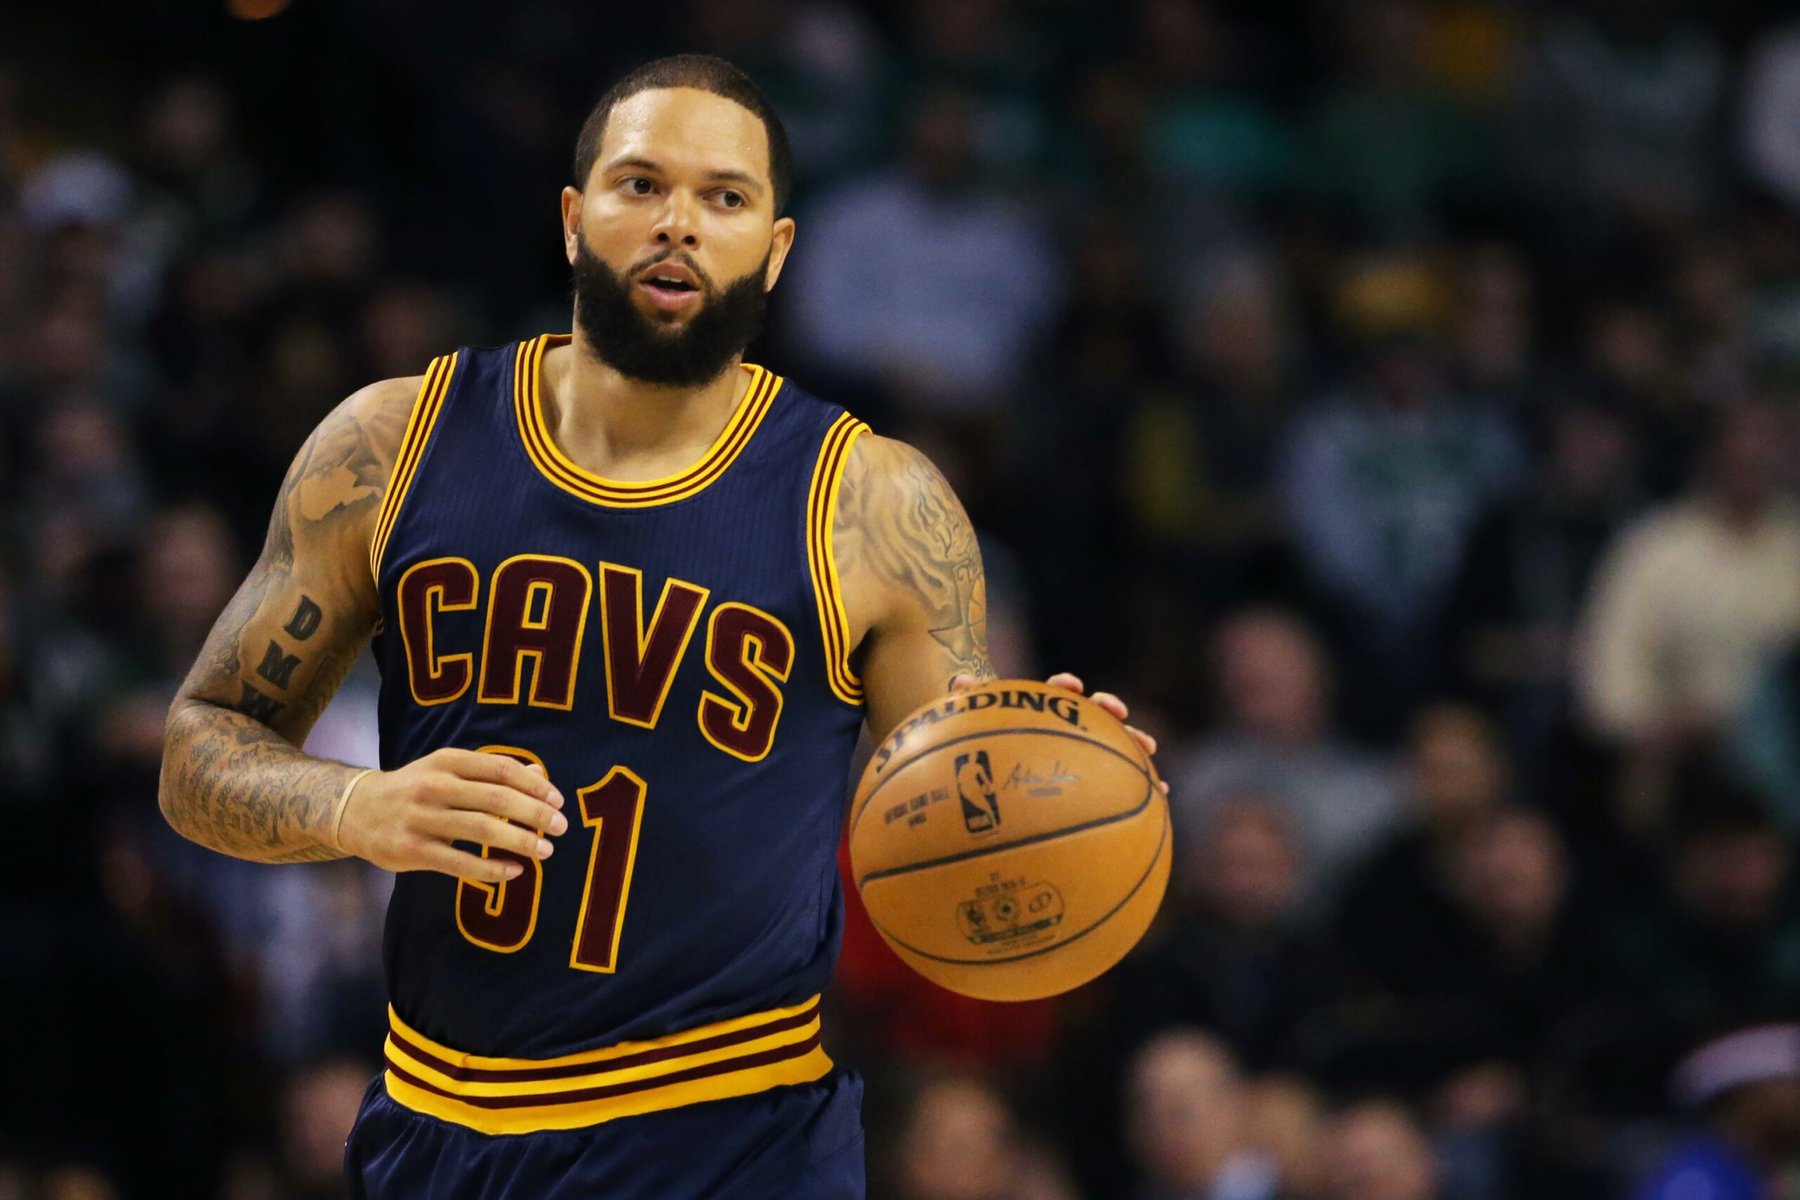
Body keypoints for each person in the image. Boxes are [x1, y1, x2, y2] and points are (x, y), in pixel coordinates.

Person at [155, 55, 1158, 1200]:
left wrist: (1040, 779)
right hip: (443, 1124)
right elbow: (198, 748)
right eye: (642, 185)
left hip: (732, 1136)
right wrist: (357, 808)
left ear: (775, 249)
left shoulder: (873, 503)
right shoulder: (390, 445)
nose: (679, 223)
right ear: (572, 218)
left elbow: (950, 835)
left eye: (725, 197)